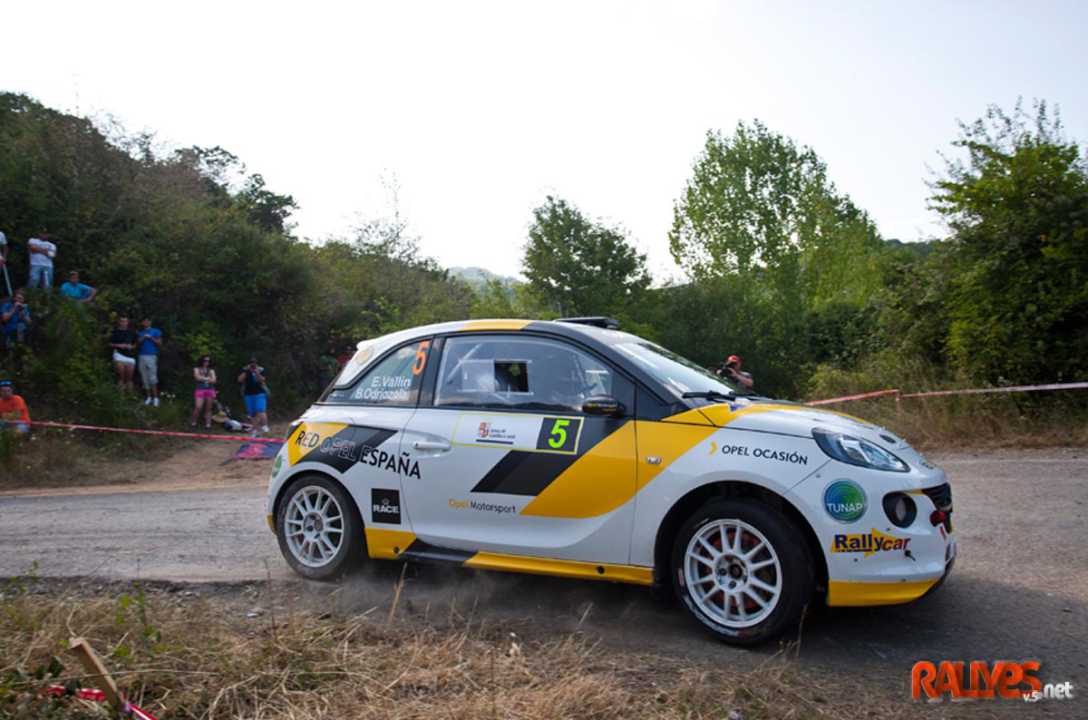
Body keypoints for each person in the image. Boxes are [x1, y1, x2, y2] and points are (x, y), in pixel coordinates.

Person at [238, 357, 269, 435]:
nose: (253, 365)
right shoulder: (244, 370)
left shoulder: (261, 369)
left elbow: (262, 380)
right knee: (252, 413)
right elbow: (240, 380)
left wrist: (256, 372)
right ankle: (255, 429)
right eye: (251, 363)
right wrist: (246, 371)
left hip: (260, 392)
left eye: (254, 363)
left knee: (260, 409)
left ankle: (265, 425)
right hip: (248, 394)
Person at [136, 318, 163, 406]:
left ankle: (156, 398)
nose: (146, 323)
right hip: (142, 356)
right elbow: (138, 343)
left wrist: (151, 338)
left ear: (150, 322)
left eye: (148, 321)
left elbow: (159, 343)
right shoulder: (141, 332)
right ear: (142, 323)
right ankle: (148, 397)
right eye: (144, 321)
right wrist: (144, 337)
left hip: (151, 356)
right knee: (144, 377)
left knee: (152, 377)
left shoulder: (155, 331)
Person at [109, 316, 138, 393]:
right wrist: (119, 345)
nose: (123, 323)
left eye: (125, 321)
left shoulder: (132, 332)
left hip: (130, 356)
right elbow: (110, 344)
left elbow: (135, 344)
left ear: (128, 322)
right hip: (119, 355)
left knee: (129, 378)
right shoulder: (115, 332)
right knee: (121, 377)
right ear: (119, 322)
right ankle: (121, 398)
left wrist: (131, 346)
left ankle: (130, 397)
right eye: (122, 321)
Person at [191, 355, 217, 429]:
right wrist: (208, 378)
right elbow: (197, 377)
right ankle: (193, 422)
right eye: (205, 360)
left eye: (208, 361)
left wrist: (202, 378)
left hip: (210, 389)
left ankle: (208, 425)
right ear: (202, 361)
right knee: (198, 407)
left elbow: (214, 380)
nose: (207, 362)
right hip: (200, 389)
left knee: (209, 408)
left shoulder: (211, 370)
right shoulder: (196, 369)